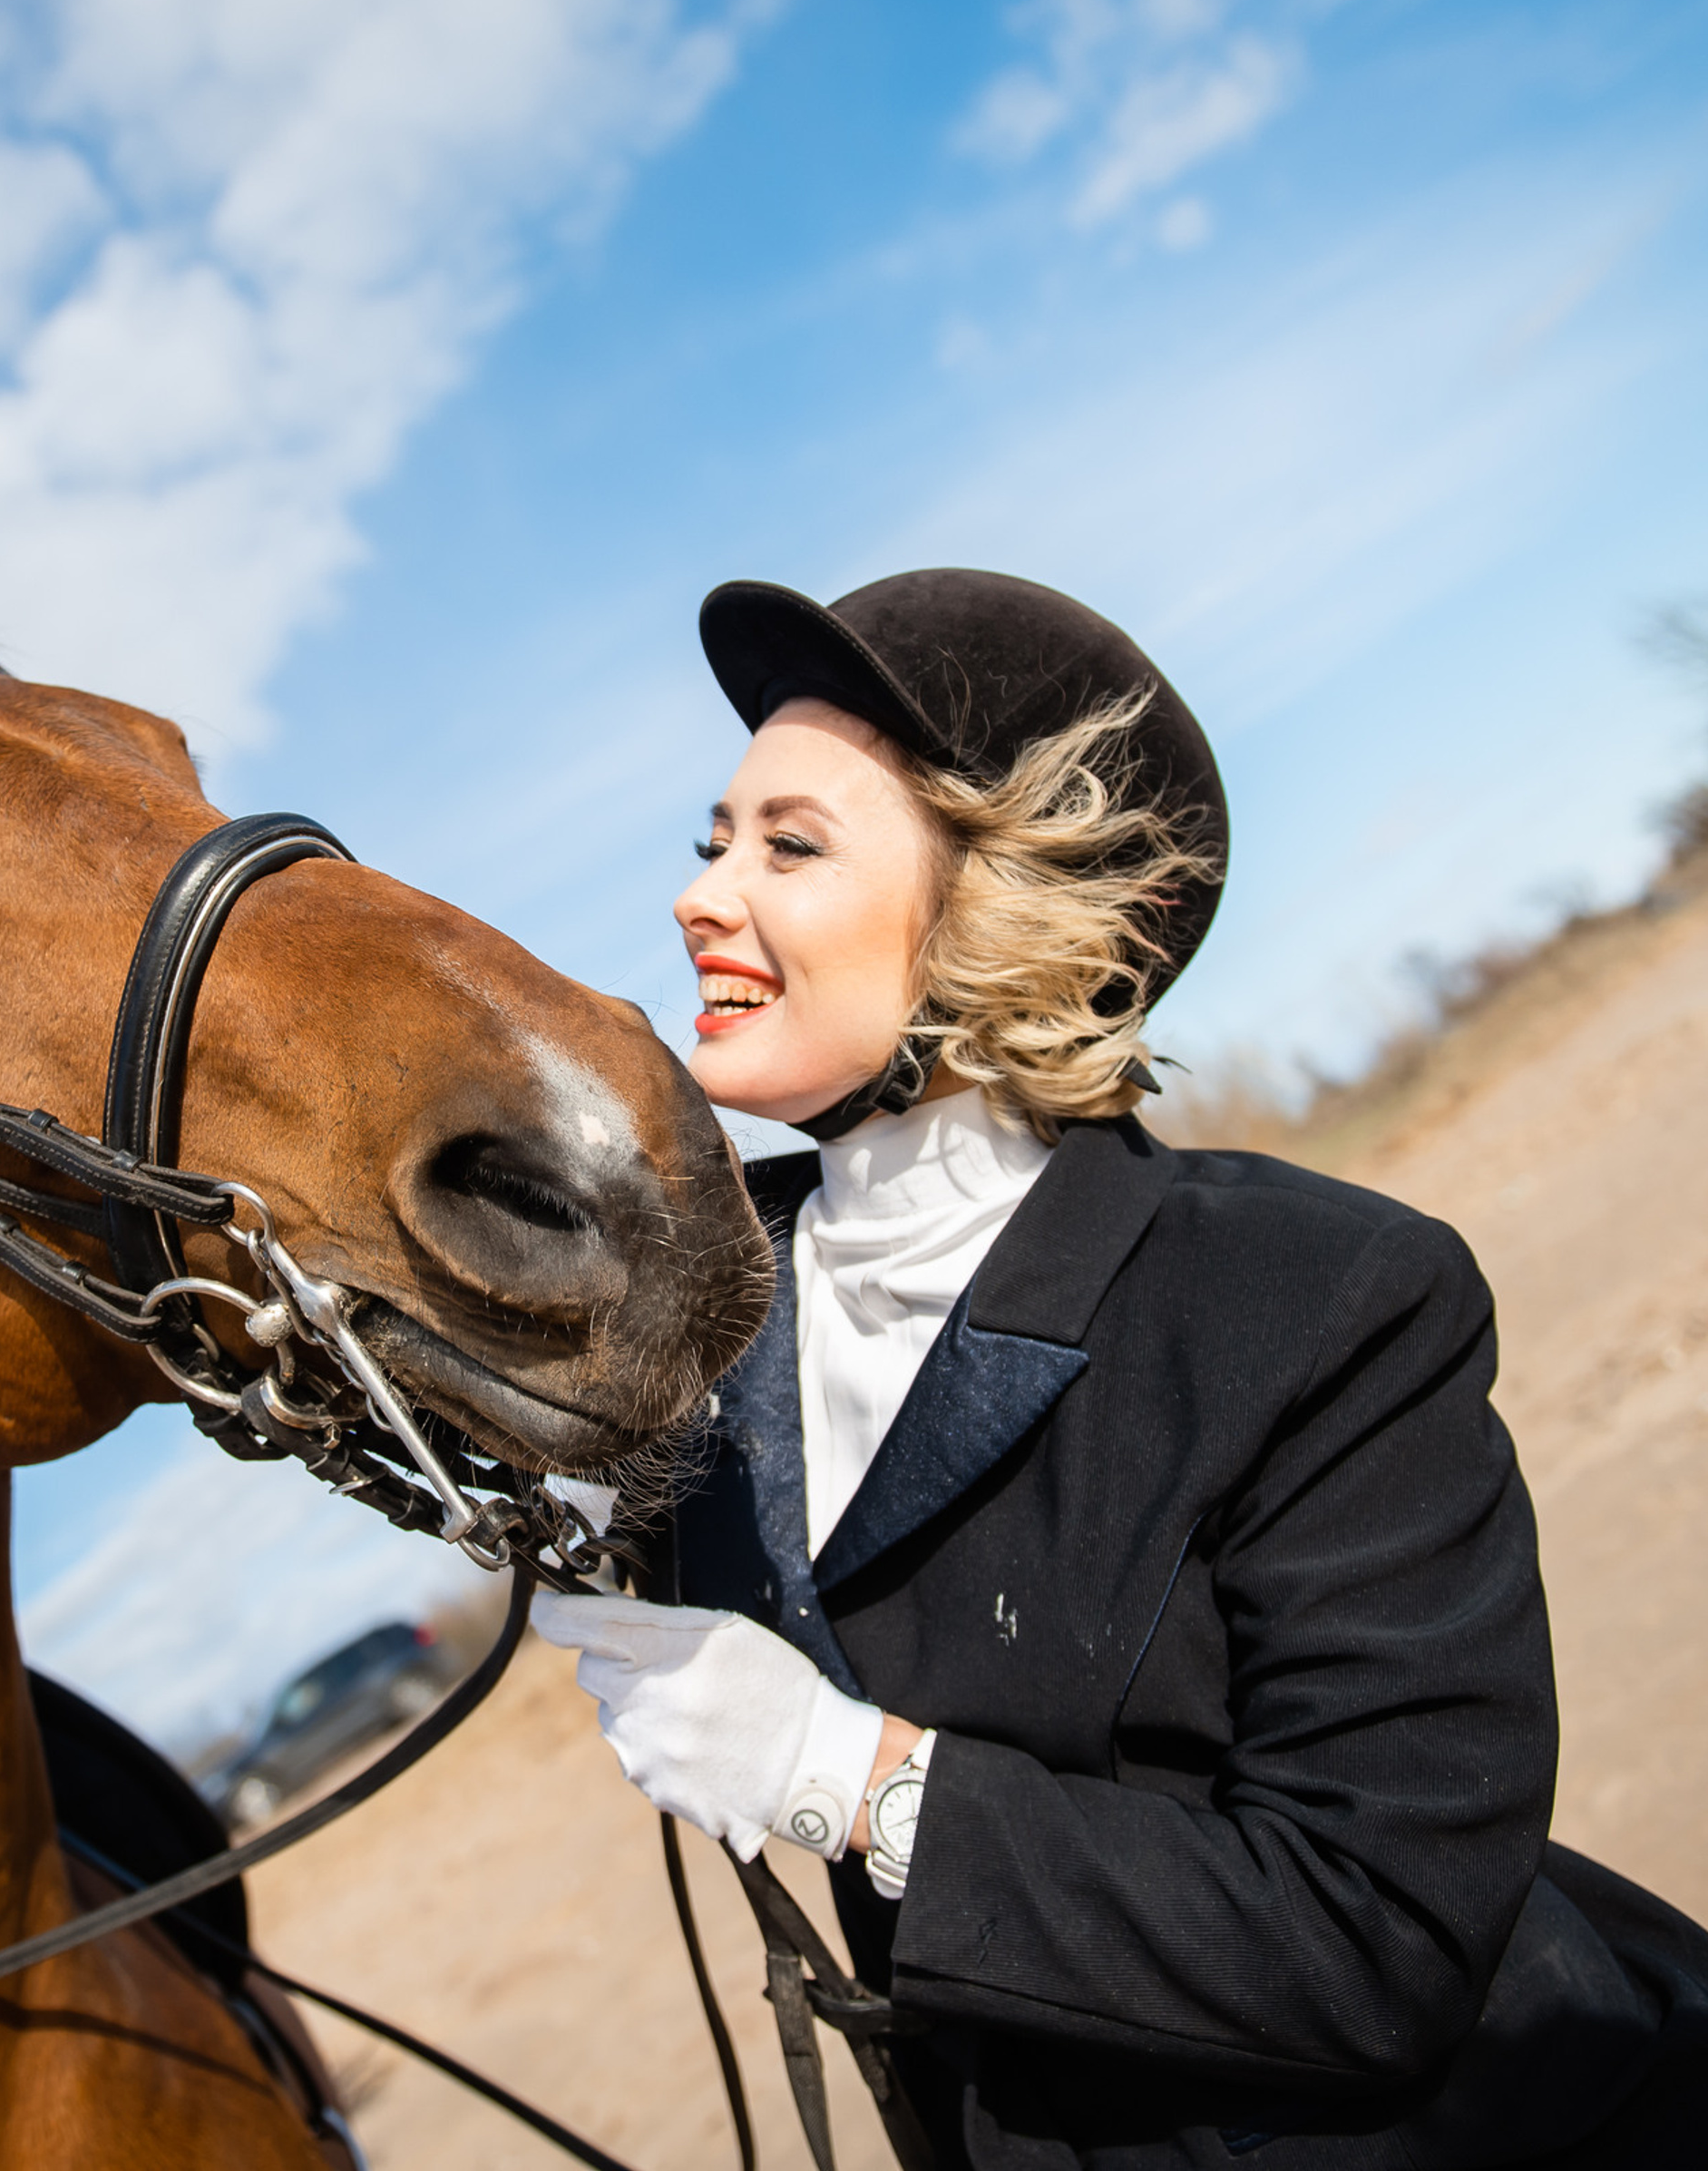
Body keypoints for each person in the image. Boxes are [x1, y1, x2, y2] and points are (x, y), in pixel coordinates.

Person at [533, 569, 1708, 2166]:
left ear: (1002, 910)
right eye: (714, 842)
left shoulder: (1318, 1298)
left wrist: (853, 1780)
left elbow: (1382, 1936)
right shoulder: (697, 1309)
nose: (703, 896)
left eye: (789, 847)